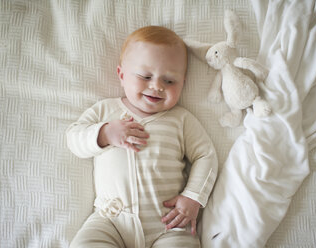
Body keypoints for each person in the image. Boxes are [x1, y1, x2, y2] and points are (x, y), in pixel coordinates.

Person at [66, 25, 218, 248]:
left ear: (183, 83)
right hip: (110, 221)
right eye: (145, 76)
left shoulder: (181, 119)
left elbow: (206, 155)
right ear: (122, 75)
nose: (156, 86)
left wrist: (194, 196)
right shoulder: (105, 111)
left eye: (169, 81)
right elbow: (73, 137)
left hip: (168, 224)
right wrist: (105, 133)